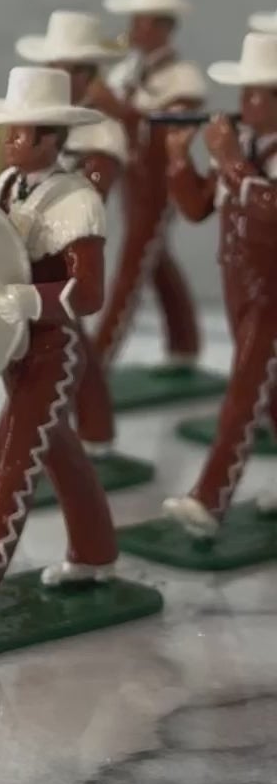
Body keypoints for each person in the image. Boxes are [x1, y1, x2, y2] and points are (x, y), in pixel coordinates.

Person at [0, 66, 118, 617]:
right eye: (6, 133)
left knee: (16, 461)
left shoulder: (77, 201)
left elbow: (89, 294)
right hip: (14, 345)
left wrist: (32, 299)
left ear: (51, 139)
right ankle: (97, 550)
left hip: (52, 349)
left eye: (18, 134)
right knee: (59, 454)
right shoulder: (6, 185)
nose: (7, 142)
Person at [0, 11, 126, 481]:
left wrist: (66, 208)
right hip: (35, 284)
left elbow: (96, 190)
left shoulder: (100, 134)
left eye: (72, 68)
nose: (62, 74)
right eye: (56, 64)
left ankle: (19, 446)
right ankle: (97, 429)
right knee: (70, 361)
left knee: (63, 359)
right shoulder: (13, 177)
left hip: (58, 256)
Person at [163, 31, 277, 535]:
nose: (245, 104)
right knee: (270, 394)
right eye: (244, 93)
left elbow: (269, 208)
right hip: (238, 287)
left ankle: (209, 498)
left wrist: (232, 161)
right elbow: (195, 208)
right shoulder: (242, 148)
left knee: (242, 390)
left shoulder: (249, 155)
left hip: (273, 293)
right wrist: (177, 159)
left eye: (257, 94)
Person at [88, 0, 206, 367]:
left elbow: (170, 139)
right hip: (130, 180)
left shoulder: (182, 78)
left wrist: (116, 108)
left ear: (164, 27)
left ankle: (98, 360)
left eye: (141, 21)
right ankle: (185, 343)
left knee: (130, 268)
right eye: (132, 20)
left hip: (159, 186)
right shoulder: (126, 70)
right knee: (155, 261)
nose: (132, 29)